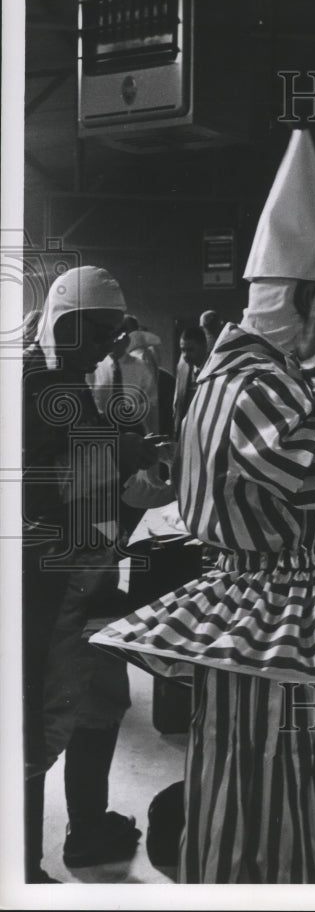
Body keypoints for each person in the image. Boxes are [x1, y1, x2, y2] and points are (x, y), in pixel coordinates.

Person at [92, 129, 315, 884]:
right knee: (266, 803)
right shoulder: (256, 384)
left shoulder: (261, 376)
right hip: (274, 621)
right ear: (303, 303)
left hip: (289, 615)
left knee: (292, 795)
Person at [22, 266, 163, 881]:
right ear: (65, 321)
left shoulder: (69, 383)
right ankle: (21, 865)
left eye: (115, 331)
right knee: (35, 724)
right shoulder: (31, 384)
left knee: (101, 701)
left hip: (88, 571)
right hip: (47, 589)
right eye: (101, 330)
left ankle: (87, 828)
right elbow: (42, 494)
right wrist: (125, 474)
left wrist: (127, 459)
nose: (111, 343)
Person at [172, 326, 207, 439]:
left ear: (204, 347)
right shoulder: (182, 367)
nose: (185, 355)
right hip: (185, 432)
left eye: (191, 350)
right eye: (183, 350)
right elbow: (178, 402)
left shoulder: (215, 369)